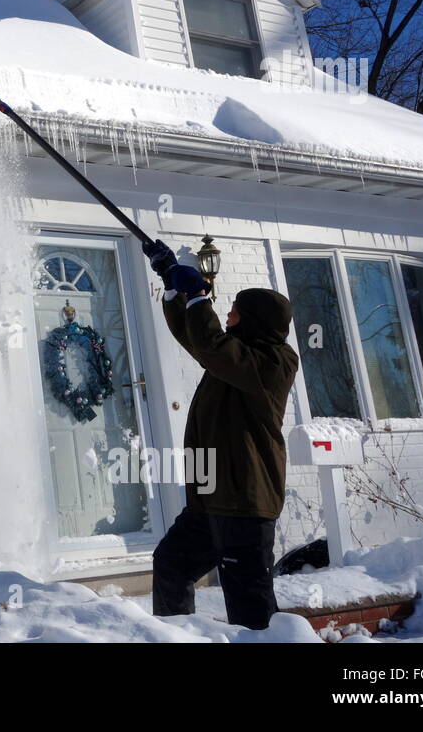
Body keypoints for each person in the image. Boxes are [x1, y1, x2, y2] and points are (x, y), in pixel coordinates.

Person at [142, 240, 299, 630]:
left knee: (250, 605)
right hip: (212, 499)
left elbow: (211, 343)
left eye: (233, 313)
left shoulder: (271, 363)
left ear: (253, 320)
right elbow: (199, 339)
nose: (227, 316)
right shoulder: (234, 357)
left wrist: (198, 295)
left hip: (245, 502)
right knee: (172, 564)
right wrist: (174, 286)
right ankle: (177, 639)